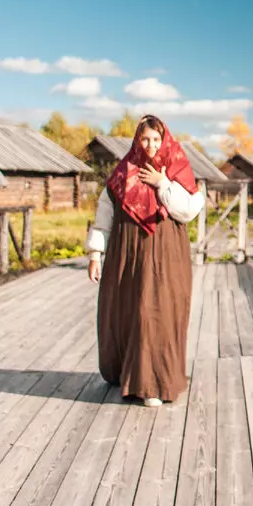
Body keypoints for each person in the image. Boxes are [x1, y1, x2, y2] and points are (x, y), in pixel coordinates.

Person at [86, 115, 204, 407]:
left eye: (155, 139)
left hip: (167, 256)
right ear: (137, 140)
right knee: (132, 312)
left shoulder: (176, 168)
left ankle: (155, 385)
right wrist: (95, 254)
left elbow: (188, 210)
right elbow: (104, 217)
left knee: (160, 313)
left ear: (164, 140)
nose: (150, 145)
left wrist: (162, 183)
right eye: (145, 139)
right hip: (128, 254)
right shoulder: (123, 173)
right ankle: (132, 376)